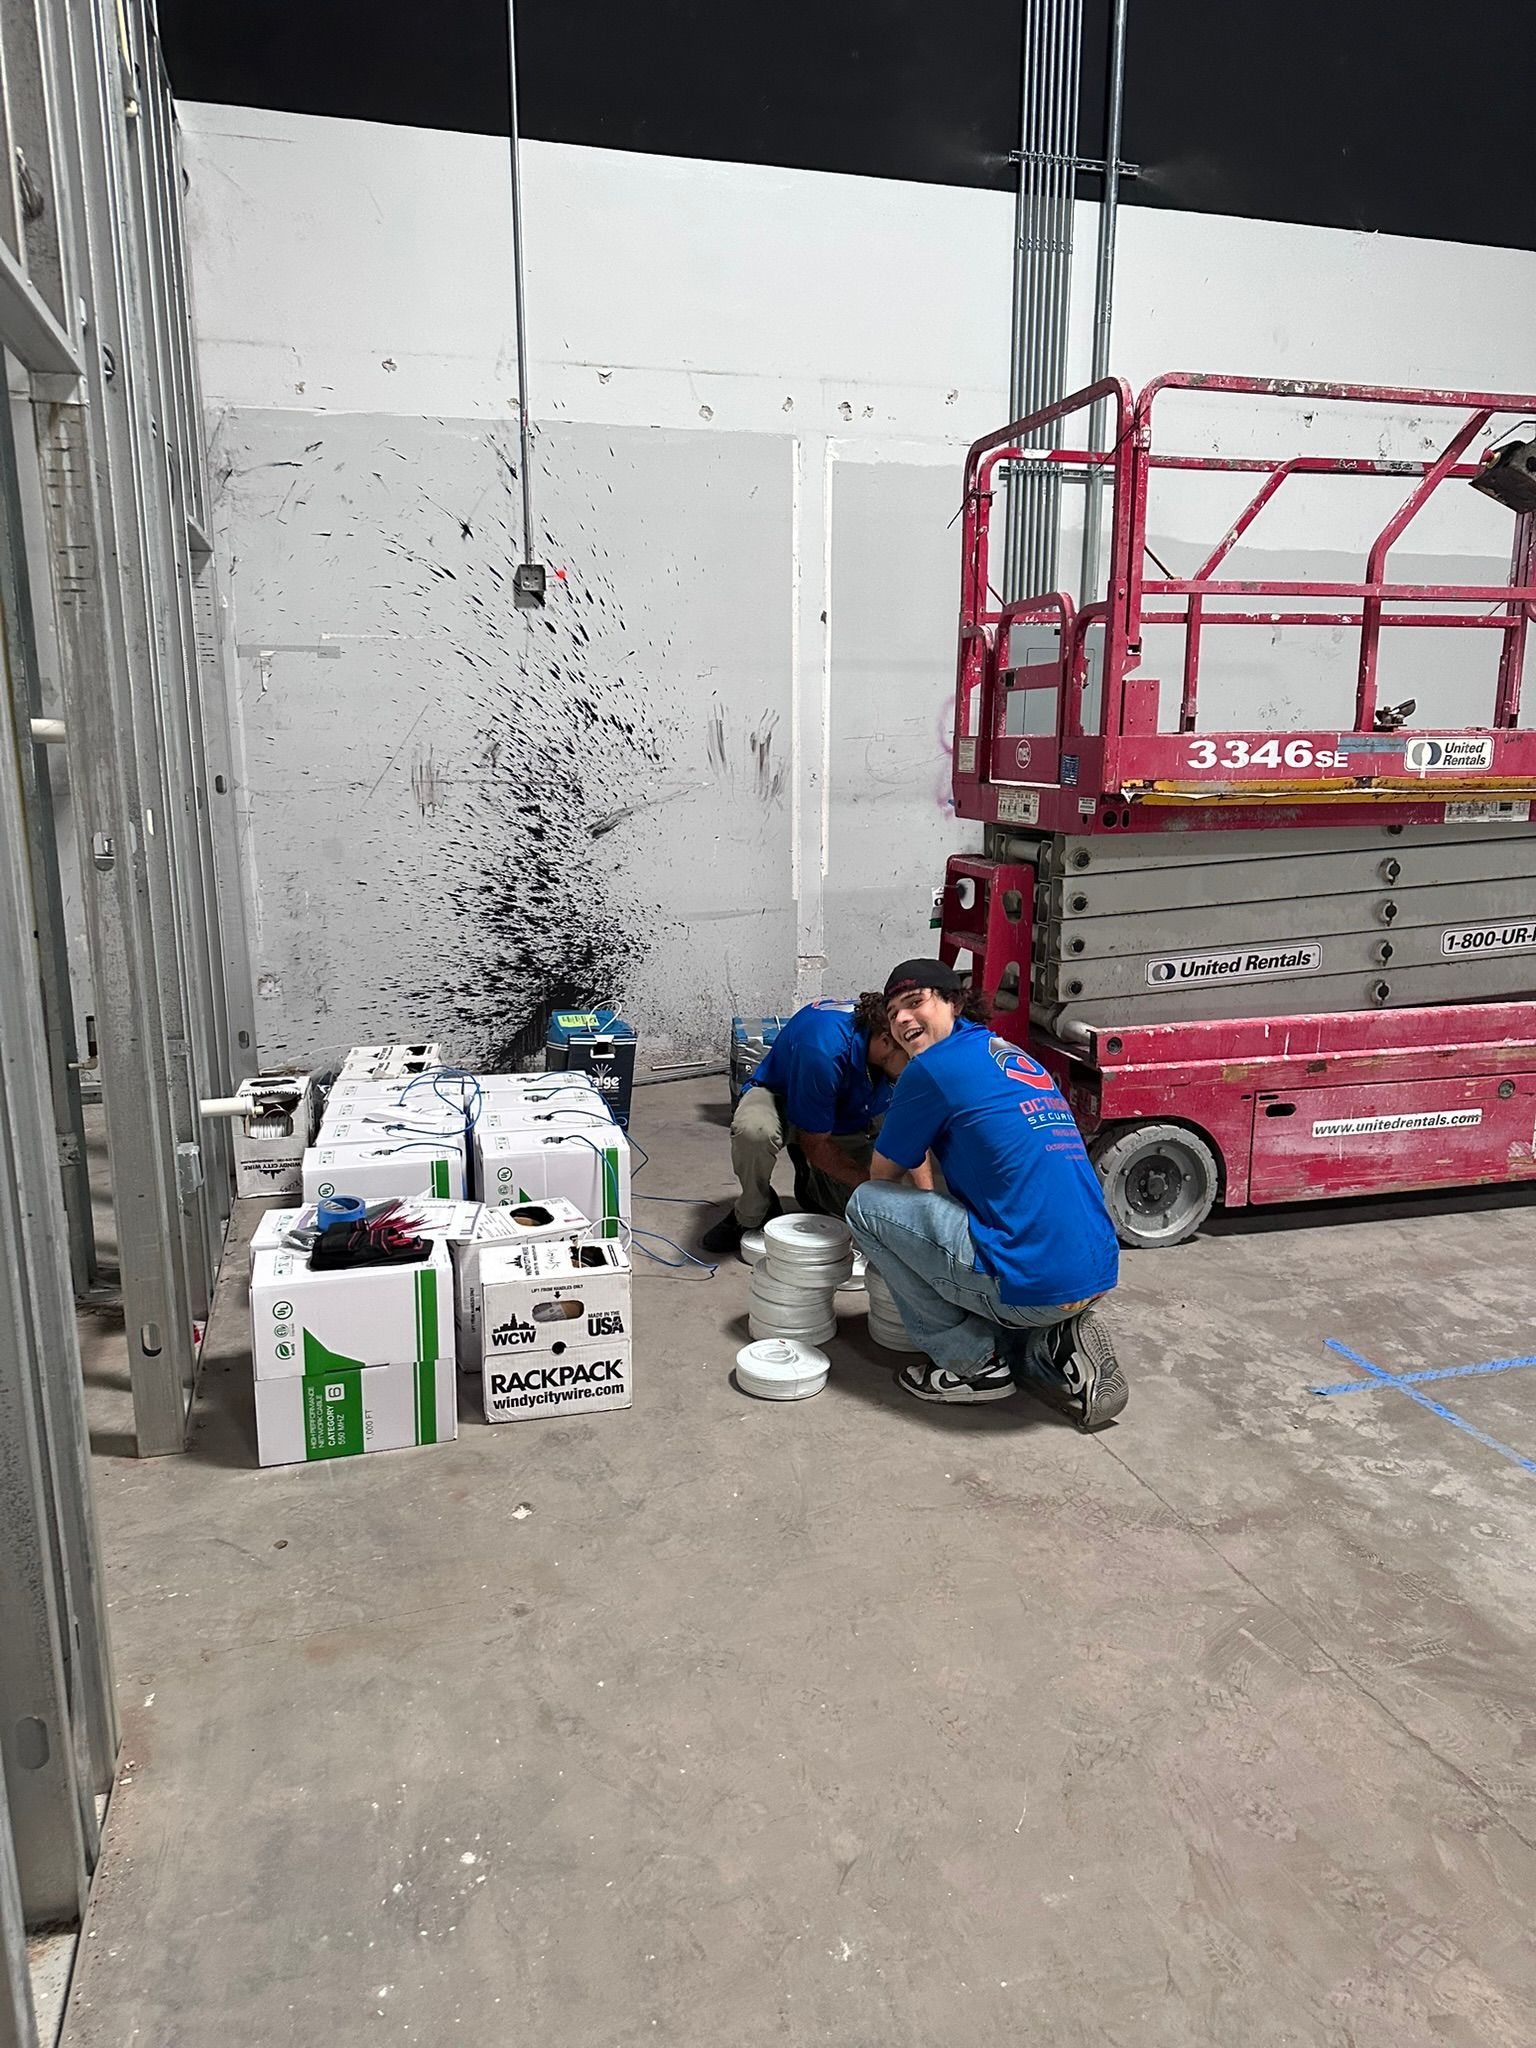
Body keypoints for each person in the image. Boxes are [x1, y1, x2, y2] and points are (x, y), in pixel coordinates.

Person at [845, 959, 1126, 1427]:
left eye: (915, 1003)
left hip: (1035, 1285)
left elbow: (881, 1177)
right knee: (969, 1205)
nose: (901, 1021)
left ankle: (974, 1364)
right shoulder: (1007, 1054)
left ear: (953, 1002)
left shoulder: (931, 1068)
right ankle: (1052, 1340)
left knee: (866, 1209)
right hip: (1095, 1266)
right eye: (893, 1014)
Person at [700, 995, 909, 1256]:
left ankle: (811, 1186)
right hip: (782, 1095)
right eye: (910, 1058)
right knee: (754, 1131)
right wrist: (866, 1180)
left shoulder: (895, 1033)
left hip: (845, 1108)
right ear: (885, 1041)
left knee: (866, 1209)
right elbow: (814, 1142)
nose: (915, 1063)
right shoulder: (825, 1049)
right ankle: (753, 1211)